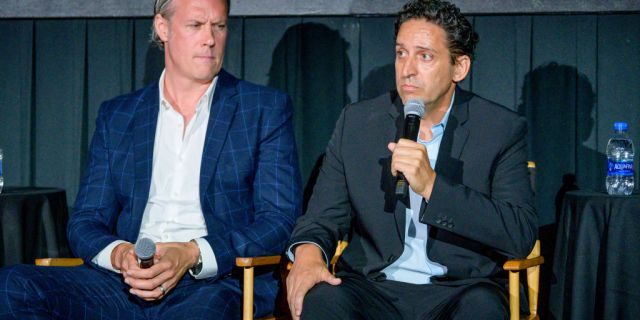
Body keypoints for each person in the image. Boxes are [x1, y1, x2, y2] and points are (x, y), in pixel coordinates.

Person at [0, 0, 301, 319]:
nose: (210, 38)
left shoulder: (263, 108)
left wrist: (192, 252)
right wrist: (120, 255)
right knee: (11, 286)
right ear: (163, 27)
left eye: (220, 26)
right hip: (122, 283)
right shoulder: (118, 115)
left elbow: (280, 219)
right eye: (196, 25)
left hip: (214, 283)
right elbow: (86, 220)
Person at [285, 0, 537, 319]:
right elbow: (321, 217)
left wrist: (432, 186)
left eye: (425, 56)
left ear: (459, 67)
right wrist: (308, 255)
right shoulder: (358, 122)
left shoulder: (500, 128)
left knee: (482, 309)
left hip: (460, 289)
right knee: (322, 301)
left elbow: (518, 235)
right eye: (401, 53)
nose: (407, 69)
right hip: (372, 285)